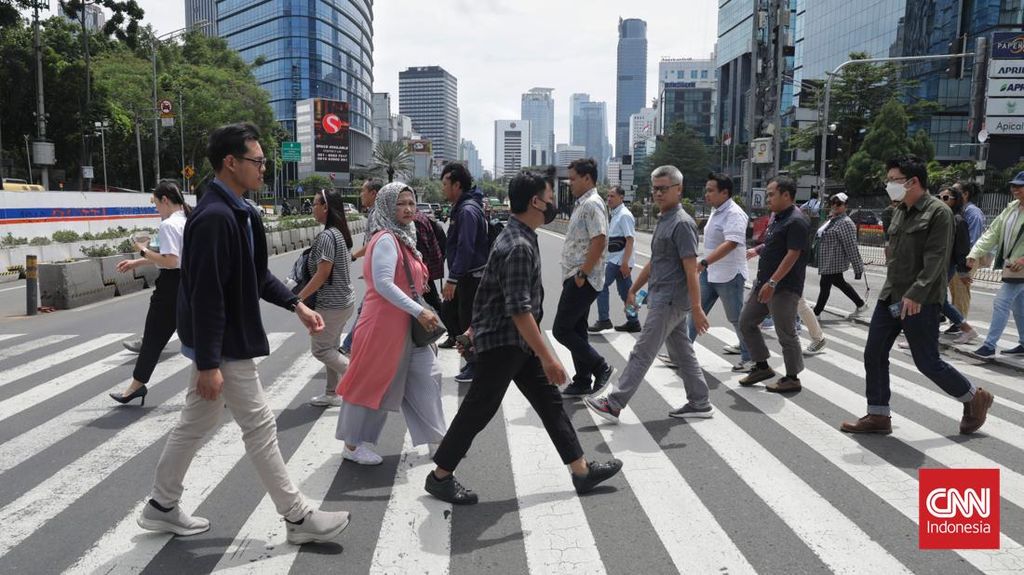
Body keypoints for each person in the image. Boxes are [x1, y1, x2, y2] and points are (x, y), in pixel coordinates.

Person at [139, 122, 350, 544]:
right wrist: (208, 363)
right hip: (225, 345)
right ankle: (297, 517)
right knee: (259, 426)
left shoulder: (239, 211)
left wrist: (297, 305)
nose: (263, 168)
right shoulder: (216, 217)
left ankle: (161, 505)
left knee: (193, 426)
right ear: (230, 163)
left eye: (264, 161)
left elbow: (255, 277)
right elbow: (206, 295)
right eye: (257, 161)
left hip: (223, 343)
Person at [424, 171, 623, 505]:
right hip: (505, 342)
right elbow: (518, 309)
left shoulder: (518, 235)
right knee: (479, 409)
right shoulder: (518, 244)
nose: (552, 204)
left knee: (550, 403)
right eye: (548, 197)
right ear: (535, 202)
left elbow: (490, 291)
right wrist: (548, 356)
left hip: (516, 343)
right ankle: (440, 476)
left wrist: (473, 330)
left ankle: (581, 470)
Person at [841, 155, 993, 435]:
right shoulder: (900, 210)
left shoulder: (939, 213)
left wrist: (916, 293)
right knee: (873, 353)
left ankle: (974, 398)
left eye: (894, 180)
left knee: (927, 362)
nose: (890, 185)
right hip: (891, 296)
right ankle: (878, 415)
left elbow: (936, 259)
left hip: (920, 300)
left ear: (913, 181)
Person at [585, 165, 714, 422]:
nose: (658, 193)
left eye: (664, 189)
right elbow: (656, 262)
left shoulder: (682, 223)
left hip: (670, 300)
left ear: (679, 190)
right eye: (655, 188)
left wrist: (697, 308)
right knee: (682, 352)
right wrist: (633, 288)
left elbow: (691, 270)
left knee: (642, 351)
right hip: (662, 297)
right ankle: (700, 401)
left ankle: (614, 403)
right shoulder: (665, 219)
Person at [335, 182, 446, 465]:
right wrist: (419, 311)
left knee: (428, 376)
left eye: (411, 202)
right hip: (382, 326)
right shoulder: (385, 238)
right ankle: (352, 445)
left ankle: (436, 440)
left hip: (407, 326)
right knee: (372, 383)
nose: (408, 209)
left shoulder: (405, 237)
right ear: (386, 207)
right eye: (400, 204)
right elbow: (383, 284)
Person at [110, 180, 189, 405]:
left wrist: (141, 249)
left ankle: (136, 386)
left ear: (165, 200)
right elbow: (176, 258)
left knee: (153, 338)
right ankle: (226, 386)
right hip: (188, 284)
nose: (156, 209)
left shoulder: (169, 225)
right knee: (198, 339)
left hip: (170, 288)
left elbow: (171, 261)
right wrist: (137, 263)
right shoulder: (186, 220)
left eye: (156, 203)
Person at [737, 176, 810, 393]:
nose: (767, 198)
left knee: (786, 332)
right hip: (764, 283)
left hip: (784, 287)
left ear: (786, 195)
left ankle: (792, 377)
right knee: (746, 322)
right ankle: (761, 366)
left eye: (771, 194)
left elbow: (793, 254)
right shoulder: (778, 218)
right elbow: (772, 244)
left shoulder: (796, 220)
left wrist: (773, 282)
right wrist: (757, 251)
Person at [557, 158, 615, 398]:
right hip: (576, 276)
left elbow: (599, 239)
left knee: (561, 329)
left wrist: (583, 273)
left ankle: (600, 366)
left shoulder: (592, 204)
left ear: (587, 178)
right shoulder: (583, 203)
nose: (570, 183)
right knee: (577, 329)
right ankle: (582, 380)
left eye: (573, 178)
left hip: (582, 278)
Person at [688, 172, 753, 373]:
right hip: (711, 273)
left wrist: (705, 262)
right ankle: (681, 353)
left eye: (710, 191)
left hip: (729, 275)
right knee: (696, 311)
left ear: (724, 193)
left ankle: (750, 358)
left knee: (736, 318)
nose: (706, 194)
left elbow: (732, 243)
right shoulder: (717, 211)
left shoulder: (734, 213)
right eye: (706, 190)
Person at [296, 188, 355, 407]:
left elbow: (322, 274)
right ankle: (332, 393)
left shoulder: (327, 236)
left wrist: (298, 299)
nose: (312, 208)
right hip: (343, 302)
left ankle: (359, 379)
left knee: (321, 349)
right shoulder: (338, 233)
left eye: (314, 204)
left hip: (332, 304)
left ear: (325, 207)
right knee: (330, 346)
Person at [440, 162, 489, 383]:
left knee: (466, 320)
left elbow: (465, 247)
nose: (443, 188)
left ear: (457, 185)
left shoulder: (467, 210)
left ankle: (476, 364)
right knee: (452, 315)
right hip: (465, 275)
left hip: (471, 277)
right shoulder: (463, 206)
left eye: (445, 184)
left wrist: (453, 278)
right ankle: (474, 361)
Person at [967, 172, 1024, 358]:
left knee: (1001, 302)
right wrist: (975, 253)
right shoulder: (1012, 208)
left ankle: (989, 345)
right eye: (1013, 185)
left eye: (1020, 186)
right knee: (1019, 306)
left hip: (1020, 266)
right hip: (1012, 267)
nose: (1015, 189)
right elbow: (993, 233)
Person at [340, 178, 384, 356]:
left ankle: (349, 345)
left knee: (366, 308)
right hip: (375, 270)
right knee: (369, 309)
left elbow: (374, 243)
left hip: (379, 272)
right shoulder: (375, 212)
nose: (361, 195)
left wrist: (353, 256)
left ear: (373, 193)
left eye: (363, 191)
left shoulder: (377, 214)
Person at [588, 185, 640, 333]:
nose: (609, 199)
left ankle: (604, 320)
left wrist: (625, 263)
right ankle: (633, 321)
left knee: (601, 285)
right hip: (615, 259)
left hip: (619, 260)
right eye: (608, 196)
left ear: (621, 198)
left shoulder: (624, 215)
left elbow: (630, 240)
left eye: (612, 196)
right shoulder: (615, 214)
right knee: (626, 293)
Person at [812, 192, 868, 318]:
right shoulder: (832, 219)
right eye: (833, 203)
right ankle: (860, 304)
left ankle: (816, 313)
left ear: (846, 206)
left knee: (825, 285)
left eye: (839, 203)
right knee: (839, 283)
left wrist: (858, 268)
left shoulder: (845, 222)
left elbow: (851, 246)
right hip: (828, 259)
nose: (835, 206)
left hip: (834, 260)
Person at [936, 186, 979, 344]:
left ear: (956, 200)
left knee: (934, 298)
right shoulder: (940, 218)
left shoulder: (958, 220)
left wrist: (963, 271)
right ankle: (967, 329)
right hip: (935, 264)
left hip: (947, 265)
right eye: (939, 197)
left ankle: (925, 335)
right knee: (938, 299)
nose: (941, 201)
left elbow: (962, 249)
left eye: (946, 198)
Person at [951, 180, 985, 318]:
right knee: (954, 289)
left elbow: (973, 239)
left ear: (965, 194)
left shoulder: (973, 212)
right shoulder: (960, 210)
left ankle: (960, 321)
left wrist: (967, 260)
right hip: (959, 256)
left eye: (955, 191)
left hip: (967, 257)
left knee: (961, 289)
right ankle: (956, 319)